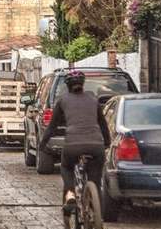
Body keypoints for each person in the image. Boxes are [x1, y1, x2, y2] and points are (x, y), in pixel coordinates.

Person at [38, 70, 110, 211]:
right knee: (95, 181)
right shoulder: (93, 99)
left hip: (72, 145)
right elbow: (103, 125)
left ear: (67, 86)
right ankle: (97, 218)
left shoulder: (63, 100)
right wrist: (107, 143)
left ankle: (70, 193)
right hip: (96, 145)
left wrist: (42, 144)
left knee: (66, 167)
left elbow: (52, 127)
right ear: (83, 84)